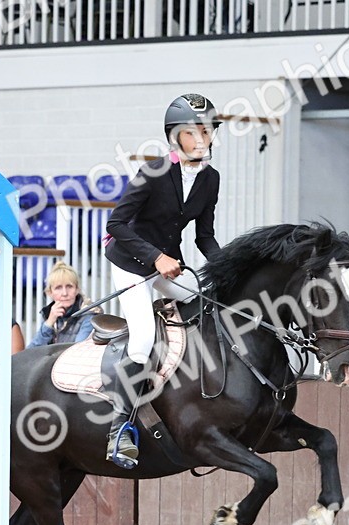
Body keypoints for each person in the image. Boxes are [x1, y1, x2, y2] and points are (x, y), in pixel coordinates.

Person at [102, 93, 224, 468]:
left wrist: (229, 268)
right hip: (132, 264)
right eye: (194, 132)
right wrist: (155, 257)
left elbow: (204, 236)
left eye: (208, 131)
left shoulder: (210, 179)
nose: (203, 139)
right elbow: (115, 224)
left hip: (169, 266)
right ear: (176, 137)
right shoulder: (152, 172)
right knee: (141, 339)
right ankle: (119, 430)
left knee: (208, 304)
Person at [26, 261, 97, 347]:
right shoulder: (50, 314)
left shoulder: (89, 314)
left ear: (77, 289)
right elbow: (31, 351)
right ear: (50, 293)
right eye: (58, 288)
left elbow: (77, 351)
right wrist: (49, 323)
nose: (64, 293)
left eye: (69, 286)